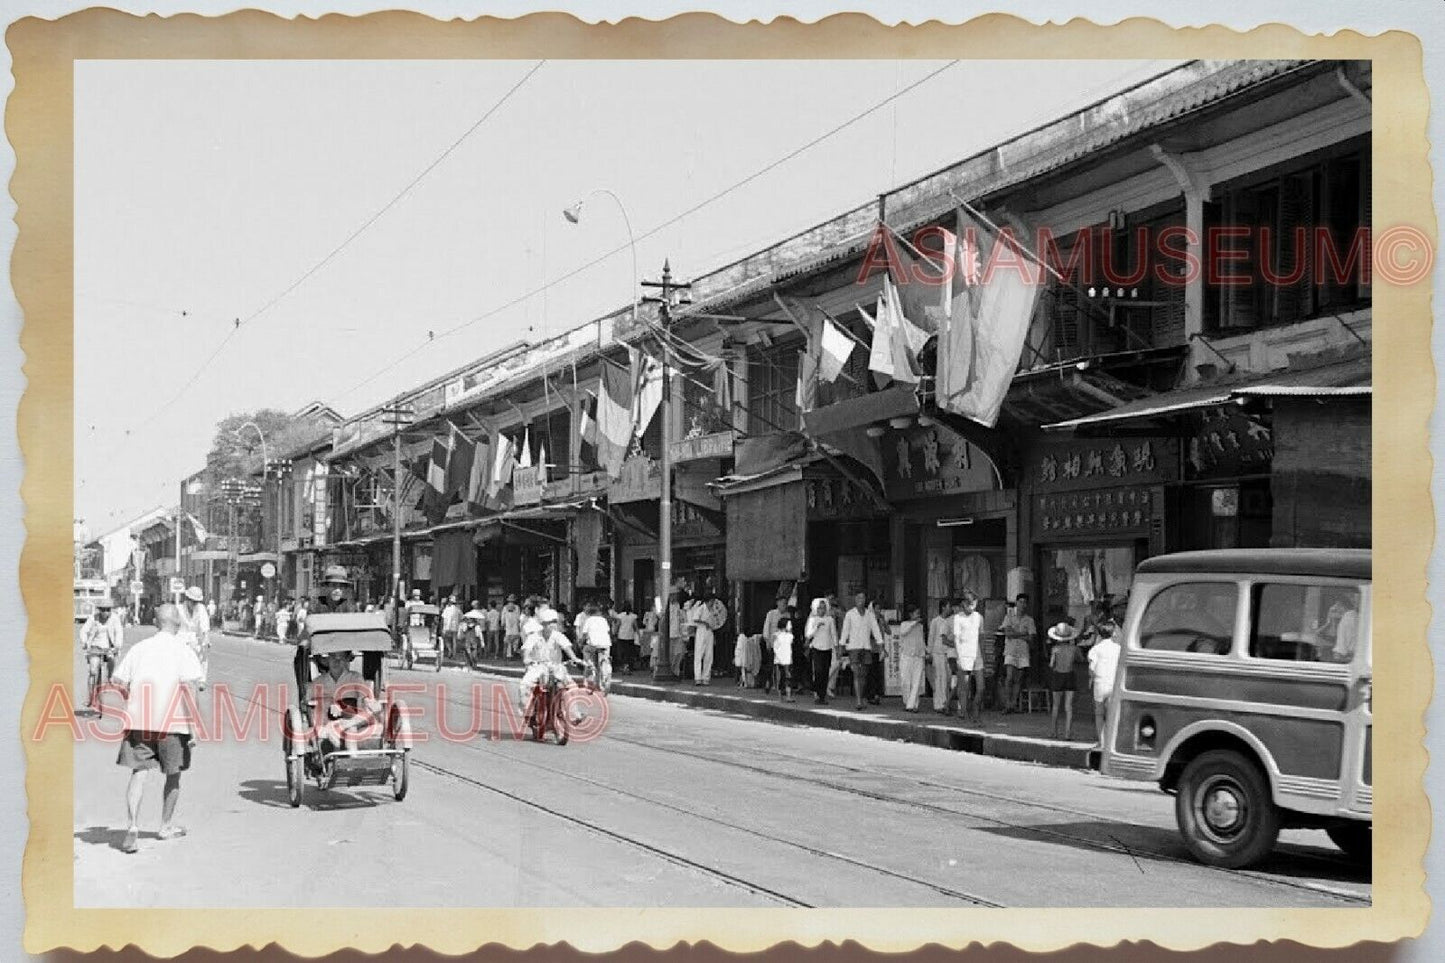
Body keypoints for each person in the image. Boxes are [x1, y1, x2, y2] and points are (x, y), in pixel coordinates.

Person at [111, 603, 206, 854]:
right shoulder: (183, 650)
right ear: (177, 624)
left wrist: (131, 699)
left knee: (139, 773)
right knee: (173, 775)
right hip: (173, 723)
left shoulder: (139, 649)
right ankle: (165, 826)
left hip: (139, 721)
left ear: (156, 622)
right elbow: (189, 689)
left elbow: (117, 680)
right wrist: (194, 727)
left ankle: (132, 826)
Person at [517, 608, 582, 721]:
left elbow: (567, 647)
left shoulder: (558, 636)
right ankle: (527, 713)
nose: (552, 625)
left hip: (556, 666)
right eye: (548, 623)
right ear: (542, 624)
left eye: (554, 622)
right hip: (537, 667)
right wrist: (527, 659)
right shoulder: (534, 636)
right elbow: (526, 650)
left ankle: (574, 716)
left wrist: (574, 658)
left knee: (572, 687)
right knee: (524, 685)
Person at [312, 649, 382, 752]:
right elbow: (310, 705)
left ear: (347, 660)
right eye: (333, 657)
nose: (337, 662)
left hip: (354, 718)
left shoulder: (355, 677)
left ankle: (351, 760)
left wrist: (369, 702)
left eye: (341, 658)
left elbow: (365, 698)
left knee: (352, 726)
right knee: (345, 729)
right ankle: (346, 760)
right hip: (329, 721)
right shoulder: (318, 682)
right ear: (327, 660)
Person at [840, 592, 883, 710]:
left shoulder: (870, 615)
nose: (861, 600)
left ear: (865, 600)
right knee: (856, 673)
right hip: (854, 647)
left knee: (864, 675)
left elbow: (875, 630)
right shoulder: (850, 614)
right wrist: (841, 645)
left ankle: (861, 697)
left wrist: (880, 645)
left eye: (863, 598)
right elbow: (845, 630)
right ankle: (858, 700)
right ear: (855, 599)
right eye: (858, 597)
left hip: (866, 647)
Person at [1087, 619, 1122, 748]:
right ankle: (1112, 742)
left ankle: (1102, 741)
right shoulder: (1118, 649)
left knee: (1099, 714)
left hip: (1100, 683)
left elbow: (1091, 669)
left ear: (1100, 634)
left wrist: (1092, 678)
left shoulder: (1095, 649)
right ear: (1113, 634)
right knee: (1112, 714)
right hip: (1113, 683)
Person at [79, 598, 120, 710]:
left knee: (111, 660)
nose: (105, 612)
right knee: (93, 671)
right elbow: (83, 631)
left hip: (109, 648)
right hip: (95, 647)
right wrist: (84, 642)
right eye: (103, 610)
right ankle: (90, 697)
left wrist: (117, 646)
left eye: (108, 610)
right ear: (99, 610)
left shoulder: (115, 619)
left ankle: (110, 676)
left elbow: (118, 633)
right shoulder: (93, 618)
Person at [1000, 593, 1036, 714]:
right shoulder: (1009, 617)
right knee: (1009, 677)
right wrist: (1022, 634)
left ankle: (1013, 704)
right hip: (1010, 650)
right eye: (1020, 602)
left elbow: (1031, 638)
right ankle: (1007, 703)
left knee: (1018, 679)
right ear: (1016, 603)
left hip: (1023, 651)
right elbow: (1008, 634)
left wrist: (1015, 633)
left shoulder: (1029, 620)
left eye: (1024, 602)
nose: (1022, 605)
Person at [951, 592, 984, 722]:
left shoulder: (979, 617)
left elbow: (981, 637)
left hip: (977, 655)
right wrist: (959, 656)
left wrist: (984, 656)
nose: (971, 607)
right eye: (969, 604)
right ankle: (964, 712)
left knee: (981, 687)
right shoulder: (958, 618)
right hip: (964, 654)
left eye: (974, 604)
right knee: (964, 686)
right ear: (964, 604)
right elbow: (956, 639)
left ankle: (975, 707)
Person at [1047, 622, 1082, 740]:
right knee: (1069, 706)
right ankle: (1067, 733)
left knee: (1056, 705)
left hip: (1058, 675)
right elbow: (1080, 659)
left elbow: (1051, 664)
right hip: (1070, 675)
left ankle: (1053, 732)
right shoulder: (1074, 649)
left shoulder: (1055, 649)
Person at [804, 598, 839, 705]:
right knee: (818, 671)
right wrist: (816, 627)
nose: (821, 610)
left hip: (827, 648)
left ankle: (822, 696)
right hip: (816, 648)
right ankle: (816, 692)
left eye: (824, 608)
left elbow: (834, 634)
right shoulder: (812, 620)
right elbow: (808, 635)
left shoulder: (830, 620)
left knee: (825, 673)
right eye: (819, 608)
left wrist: (837, 648)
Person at [177, 586, 211, 681]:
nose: (194, 604)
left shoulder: (201, 609)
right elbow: (173, 625)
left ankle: (202, 679)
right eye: (192, 601)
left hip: (196, 639)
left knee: (204, 654)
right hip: (181, 638)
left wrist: (206, 638)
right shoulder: (179, 609)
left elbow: (205, 625)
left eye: (196, 602)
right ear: (187, 599)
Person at [897, 604, 927, 712]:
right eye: (916, 613)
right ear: (910, 614)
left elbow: (921, 640)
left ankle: (913, 705)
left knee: (916, 681)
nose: (918, 615)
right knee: (905, 681)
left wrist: (926, 652)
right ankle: (908, 702)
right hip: (906, 656)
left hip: (918, 656)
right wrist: (914, 622)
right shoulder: (904, 624)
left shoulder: (920, 627)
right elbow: (903, 632)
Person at [579, 602, 613, 693]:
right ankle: (606, 671)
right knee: (604, 658)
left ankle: (589, 669)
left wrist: (581, 643)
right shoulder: (603, 620)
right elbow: (608, 632)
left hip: (593, 645)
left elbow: (585, 634)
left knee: (586, 653)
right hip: (606, 644)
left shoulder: (589, 620)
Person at [928, 600, 955, 713]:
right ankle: (939, 704)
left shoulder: (952, 621)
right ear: (943, 607)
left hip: (949, 652)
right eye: (949, 606)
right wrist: (929, 653)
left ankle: (946, 702)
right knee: (939, 679)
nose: (951, 608)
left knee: (948, 679)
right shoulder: (935, 621)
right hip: (937, 652)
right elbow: (931, 637)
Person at [771, 616, 795, 702]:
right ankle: (780, 696)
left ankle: (788, 696)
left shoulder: (790, 636)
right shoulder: (777, 635)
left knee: (788, 678)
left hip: (788, 659)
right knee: (781, 678)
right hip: (780, 660)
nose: (791, 626)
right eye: (789, 624)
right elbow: (775, 647)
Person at [612, 601, 638, 674]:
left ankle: (624, 666)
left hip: (621, 636)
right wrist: (638, 634)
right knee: (629, 652)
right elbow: (635, 627)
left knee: (622, 652)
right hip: (630, 636)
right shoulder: (633, 616)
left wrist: (614, 633)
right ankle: (628, 666)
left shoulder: (620, 616)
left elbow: (618, 625)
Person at [440, 596, 462, 661]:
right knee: (454, 641)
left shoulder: (446, 609)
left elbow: (443, 618)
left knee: (446, 639)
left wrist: (442, 627)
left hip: (447, 627)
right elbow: (462, 618)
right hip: (455, 627)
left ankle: (450, 650)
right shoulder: (458, 610)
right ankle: (454, 654)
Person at [501, 595, 523, 659]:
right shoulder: (517, 607)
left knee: (508, 642)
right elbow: (519, 618)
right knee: (515, 642)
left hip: (508, 628)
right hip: (515, 627)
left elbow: (503, 618)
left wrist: (503, 624)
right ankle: (514, 652)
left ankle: (509, 655)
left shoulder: (505, 608)